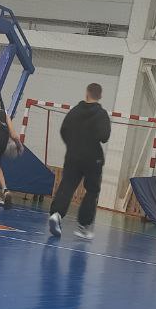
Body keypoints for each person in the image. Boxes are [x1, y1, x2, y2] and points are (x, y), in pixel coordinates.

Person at [47, 83, 112, 241]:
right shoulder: (101, 114)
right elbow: (105, 137)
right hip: (93, 157)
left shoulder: (74, 111)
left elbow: (63, 130)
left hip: (73, 155)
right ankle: (83, 226)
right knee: (92, 191)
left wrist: (73, 145)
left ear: (86, 93)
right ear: (100, 96)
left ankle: (56, 214)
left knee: (67, 185)